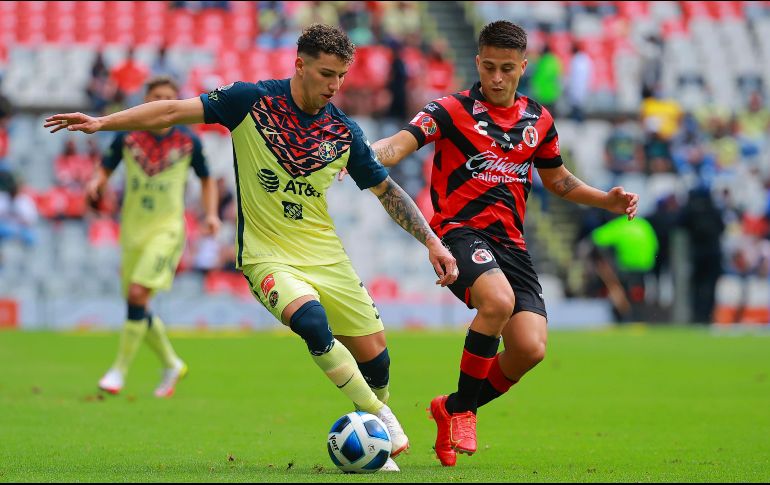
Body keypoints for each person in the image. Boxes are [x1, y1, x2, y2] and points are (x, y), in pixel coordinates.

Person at [46, 24, 458, 472]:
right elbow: (169, 112)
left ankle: (370, 433)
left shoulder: (343, 131)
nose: (335, 86)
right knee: (313, 323)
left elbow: (388, 192)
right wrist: (105, 122)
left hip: (326, 257)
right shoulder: (250, 102)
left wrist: (432, 241)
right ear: (299, 64)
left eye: (341, 76)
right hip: (266, 256)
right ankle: (382, 420)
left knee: (377, 361)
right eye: (326, 74)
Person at [368, 20, 638, 466]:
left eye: (507, 69)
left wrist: (604, 199)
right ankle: (466, 413)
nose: (496, 78)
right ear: (477, 62)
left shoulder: (539, 119)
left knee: (530, 348)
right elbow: (398, 145)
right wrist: (364, 157)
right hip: (459, 234)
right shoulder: (450, 109)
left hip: (511, 245)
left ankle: (451, 407)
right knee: (497, 301)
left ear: (523, 67)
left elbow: (558, 180)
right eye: (489, 67)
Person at [78, 76, 221, 398]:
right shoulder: (127, 136)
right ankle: (171, 363)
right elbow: (104, 168)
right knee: (136, 301)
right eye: (155, 96)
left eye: (167, 97)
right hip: (131, 231)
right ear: (146, 99)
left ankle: (119, 371)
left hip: (167, 230)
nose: (161, 102)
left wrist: (211, 214)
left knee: (138, 292)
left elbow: (207, 180)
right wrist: (94, 183)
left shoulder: (188, 141)